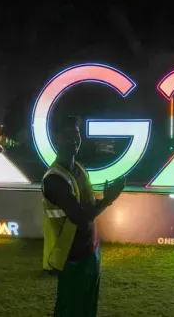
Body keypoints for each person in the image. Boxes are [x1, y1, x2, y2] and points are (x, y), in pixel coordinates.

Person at [41, 116, 125, 316]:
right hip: (71, 256)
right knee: (70, 309)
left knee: (88, 308)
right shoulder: (54, 179)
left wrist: (104, 199)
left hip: (91, 251)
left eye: (76, 134)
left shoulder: (79, 169)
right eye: (67, 135)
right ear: (55, 138)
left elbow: (89, 207)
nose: (74, 139)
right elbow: (80, 216)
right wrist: (108, 200)